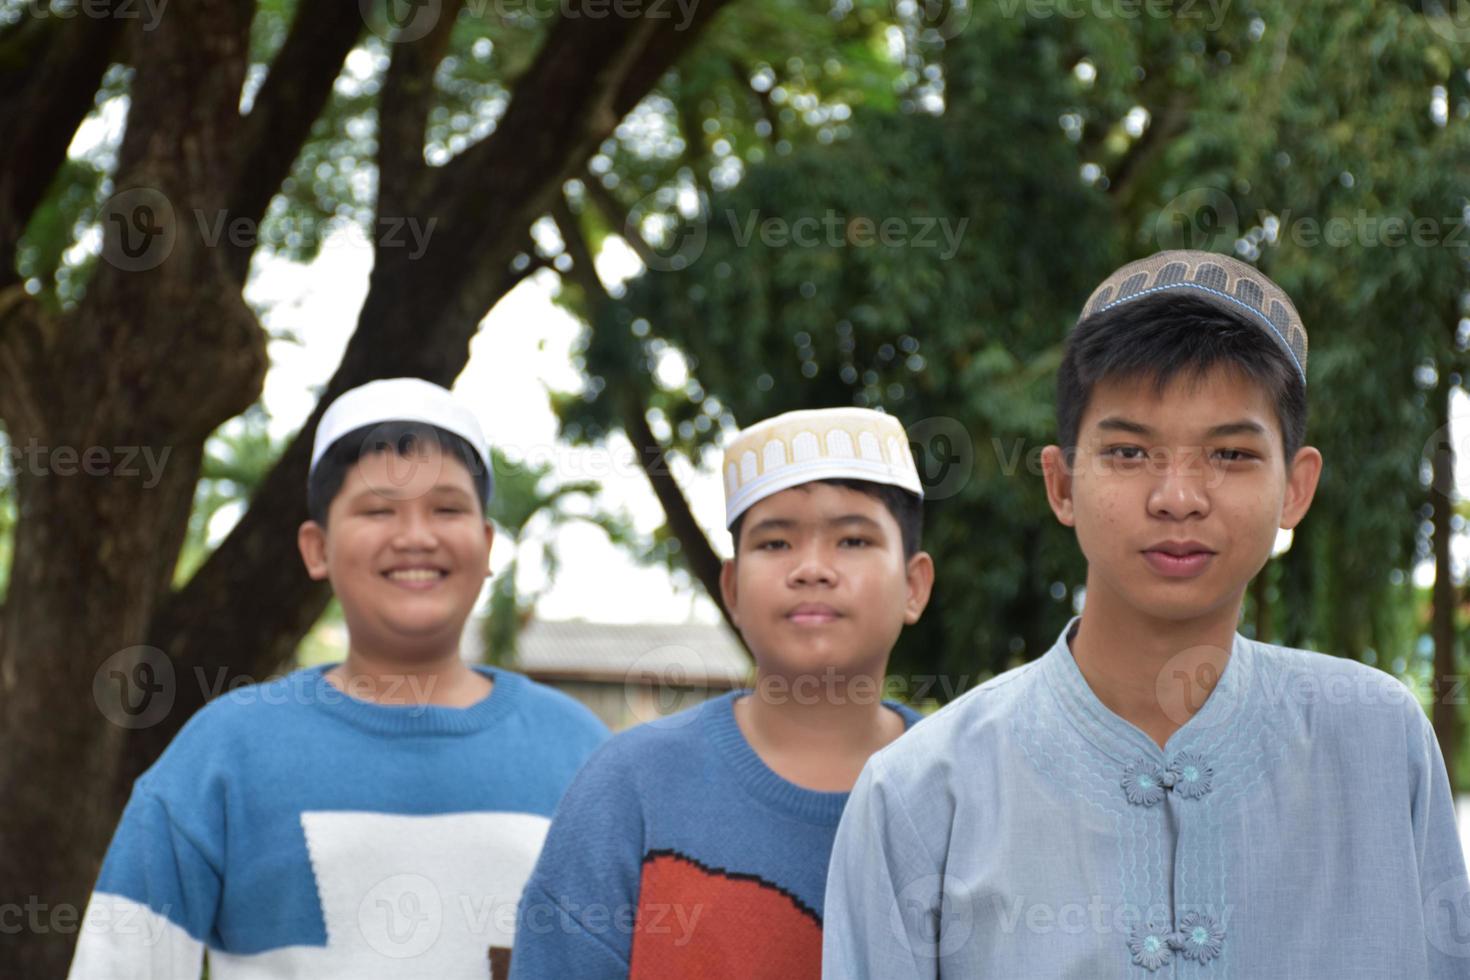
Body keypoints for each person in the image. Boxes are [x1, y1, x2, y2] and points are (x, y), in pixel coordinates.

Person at [823, 250, 1470, 978]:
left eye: (1229, 454)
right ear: (1062, 484)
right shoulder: (918, 793)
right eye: (1129, 452)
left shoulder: (1380, 745)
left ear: (1296, 486)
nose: (1178, 496)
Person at [68, 377, 608, 979]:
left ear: (485, 546)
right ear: (316, 548)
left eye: (447, 508)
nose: (416, 537)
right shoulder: (224, 754)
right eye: (379, 509)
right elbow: (119, 964)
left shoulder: (586, 756)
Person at [509, 406, 935, 978]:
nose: (811, 569)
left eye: (853, 540)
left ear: (913, 585)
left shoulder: (962, 789)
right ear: (731, 590)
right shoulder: (629, 789)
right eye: (776, 543)